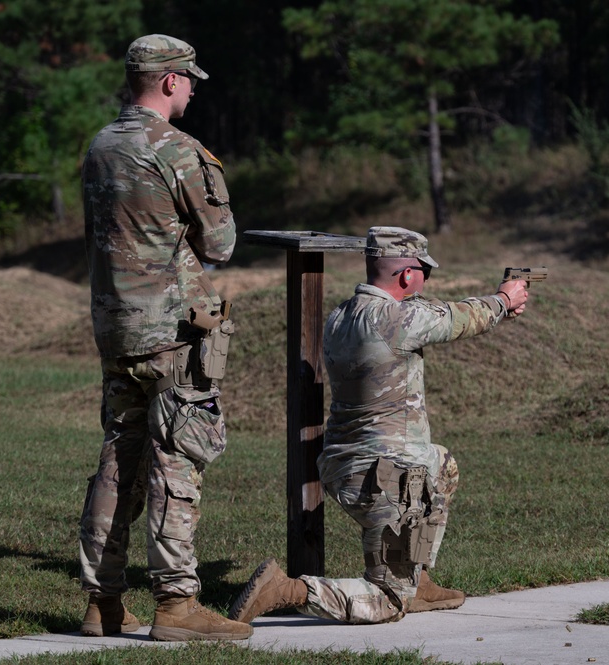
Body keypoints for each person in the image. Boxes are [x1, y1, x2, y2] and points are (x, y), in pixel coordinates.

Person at [229, 226, 529, 625]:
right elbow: (461, 317)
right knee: (387, 601)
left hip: (344, 468)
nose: (426, 279)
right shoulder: (399, 318)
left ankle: (416, 577)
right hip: (387, 477)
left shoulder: (339, 316)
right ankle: (286, 590)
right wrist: (505, 299)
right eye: (425, 271)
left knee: (443, 465)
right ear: (407, 275)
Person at [78, 34, 251, 642]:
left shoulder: (100, 145)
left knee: (116, 462)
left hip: (116, 329)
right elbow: (220, 245)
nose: (195, 89)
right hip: (173, 334)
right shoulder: (178, 149)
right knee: (177, 462)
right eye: (191, 79)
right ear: (171, 81)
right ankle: (177, 605)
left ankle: (102, 602)